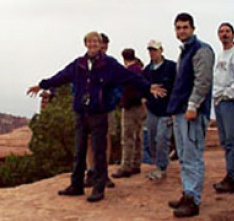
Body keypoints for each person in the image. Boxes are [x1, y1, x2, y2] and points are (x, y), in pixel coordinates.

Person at [27, 31, 151, 202]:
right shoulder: (79, 64)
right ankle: (76, 185)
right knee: (79, 151)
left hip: (99, 113)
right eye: (89, 42)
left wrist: (148, 88)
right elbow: (61, 76)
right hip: (81, 112)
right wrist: (42, 85)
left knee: (99, 152)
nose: (93, 44)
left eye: (96, 42)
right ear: (85, 44)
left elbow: (129, 77)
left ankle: (98, 188)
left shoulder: (109, 64)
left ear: (101, 45)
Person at [160, 13, 214, 217]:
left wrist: (193, 106)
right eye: (178, 27)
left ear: (193, 28)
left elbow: (203, 81)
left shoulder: (201, 50)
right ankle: (187, 193)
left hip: (193, 112)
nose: (181, 31)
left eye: (185, 27)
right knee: (183, 156)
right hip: (181, 111)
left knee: (192, 155)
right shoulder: (185, 51)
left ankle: (193, 200)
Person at [85, 33, 116, 189]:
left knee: (106, 139)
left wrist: (113, 99)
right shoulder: (85, 63)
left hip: (107, 108)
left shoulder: (109, 64)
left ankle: (103, 173)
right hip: (88, 109)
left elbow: (119, 83)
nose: (101, 49)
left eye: (104, 47)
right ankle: (91, 171)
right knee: (89, 140)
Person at [143, 40, 176, 181]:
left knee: (162, 138)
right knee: (151, 139)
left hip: (167, 110)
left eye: (154, 50)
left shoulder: (171, 67)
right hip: (152, 110)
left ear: (161, 50)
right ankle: (157, 163)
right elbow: (142, 87)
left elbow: (177, 87)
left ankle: (162, 167)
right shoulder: (147, 70)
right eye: (150, 50)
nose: (152, 53)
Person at [112, 48, 146, 178]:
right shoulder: (139, 69)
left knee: (127, 137)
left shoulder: (128, 72)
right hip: (140, 105)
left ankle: (126, 165)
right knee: (138, 136)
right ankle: (136, 164)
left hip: (130, 106)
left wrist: (122, 101)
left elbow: (127, 90)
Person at [212, 22, 234, 193]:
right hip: (219, 101)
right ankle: (229, 173)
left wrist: (227, 93)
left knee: (232, 140)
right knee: (225, 141)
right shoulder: (220, 55)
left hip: (230, 101)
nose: (224, 34)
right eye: (221, 31)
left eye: (227, 31)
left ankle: (232, 177)